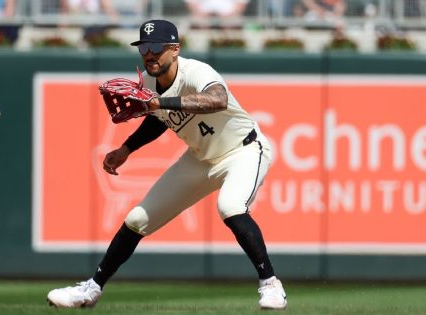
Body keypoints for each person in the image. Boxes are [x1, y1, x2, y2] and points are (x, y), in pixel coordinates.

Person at [46, 19, 288, 310]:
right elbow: (157, 120)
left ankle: (271, 284)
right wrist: (127, 148)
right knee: (137, 219)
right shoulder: (149, 82)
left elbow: (217, 100)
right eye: (143, 47)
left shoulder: (196, 71)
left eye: (156, 47)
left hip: (244, 150)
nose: (149, 53)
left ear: (175, 49)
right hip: (200, 159)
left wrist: (160, 104)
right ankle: (90, 289)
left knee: (230, 206)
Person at [185, 0, 250, 28]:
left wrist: (228, 15)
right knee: (197, 22)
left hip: (231, 15)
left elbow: (241, 5)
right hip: (201, 15)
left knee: (234, 22)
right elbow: (191, 4)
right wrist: (203, 14)